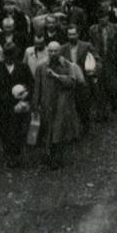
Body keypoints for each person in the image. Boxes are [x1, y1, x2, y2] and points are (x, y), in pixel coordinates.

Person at [31, 40, 85, 169]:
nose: (53, 53)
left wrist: (56, 76)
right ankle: (49, 158)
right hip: (46, 104)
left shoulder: (67, 65)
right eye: (50, 51)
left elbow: (72, 82)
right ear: (47, 51)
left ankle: (58, 159)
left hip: (62, 104)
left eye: (55, 51)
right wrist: (35, 106)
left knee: (59, 132)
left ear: (60, 51)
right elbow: (37, 87)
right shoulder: (41, 67)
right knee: (48, 132)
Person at [0, 43, 34, 168]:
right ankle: (8, 152)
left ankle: (15, 155)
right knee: (4, 130)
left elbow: (31, 84)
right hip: (2, 106)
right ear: (3, 55)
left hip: (19, 105)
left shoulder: (23, 67)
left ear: (16, 55)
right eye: (6, 55)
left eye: (12, 54)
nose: (9, 57)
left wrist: (25, 94)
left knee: (17, 130)